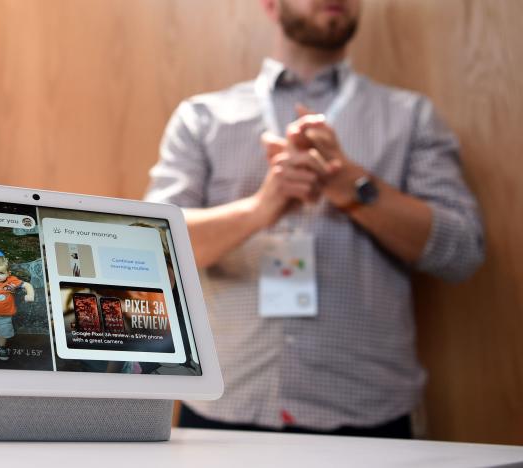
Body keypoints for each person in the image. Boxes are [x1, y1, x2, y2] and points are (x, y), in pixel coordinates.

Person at [145, 0, 484, 438]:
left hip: (368, 414)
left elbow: (462, 253)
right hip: (226, 407)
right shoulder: (202, 117)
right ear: (270, 4)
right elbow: (153, 253)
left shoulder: (411, 117)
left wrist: (356, 189)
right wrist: (259, 209)